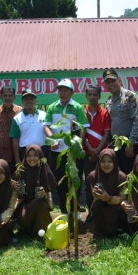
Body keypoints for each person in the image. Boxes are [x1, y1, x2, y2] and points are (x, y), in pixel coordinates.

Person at [43, 79, 89, 215]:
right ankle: (64, 211)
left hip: (73, 153)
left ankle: (75, 211)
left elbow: (83, 128)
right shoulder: (52, 107)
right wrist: (52, 140)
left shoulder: (77, 107)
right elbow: (46, 125)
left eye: (66, 90)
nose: (63, 93)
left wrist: (77, 145)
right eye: (60, 90)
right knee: (61, 182)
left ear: (71, 92)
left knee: (75, 180)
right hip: (58, 152)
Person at [78, 84, 111, 222]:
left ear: (99, 96)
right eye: (89, 94)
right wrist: (91, 151)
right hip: (85, 154)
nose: (92, 97)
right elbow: (81, 134)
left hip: (101, 155)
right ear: (86, 96)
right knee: (86, 184)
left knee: (99, 183)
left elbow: (107, 133)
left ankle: (101, 210)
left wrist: (98, 151)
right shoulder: (81, 112)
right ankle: (91, 212)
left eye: (95, 94)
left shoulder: (105, 113)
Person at [104, 69, 138, 174]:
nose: (111, 84)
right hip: (117, 144)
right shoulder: (109, 100)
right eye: (108, 82)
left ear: (119, 80)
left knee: (131, 174)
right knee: (120, 174)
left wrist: (130, 143)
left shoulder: (130, 97)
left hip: (129, 143)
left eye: (113, 81)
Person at [14, 145, 56, 239]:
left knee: (40, 203)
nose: (31, 158)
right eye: (28, 155)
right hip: (24, 211)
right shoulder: (20, 171)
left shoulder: (44, 171)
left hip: (41, 209)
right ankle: (31, 231)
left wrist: (44, 194)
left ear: (40, 157)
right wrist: (17, 191)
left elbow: (51, 206)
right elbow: (12, 196)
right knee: (39, 203)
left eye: (35, 155)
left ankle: (41, 234)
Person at [87, 149, 127, 238]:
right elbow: (95, 198)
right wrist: (96, 195)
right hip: (101, 206)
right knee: (97, 205)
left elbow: (123, 197)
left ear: (115, 162)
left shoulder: (122, 177)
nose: (106, 164)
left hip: (116, 206)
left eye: (110, 161)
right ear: (99, 162)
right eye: (103, 161)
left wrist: (109, 198)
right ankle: (99, 231)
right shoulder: (93, 176)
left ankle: (117, 231)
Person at [10, 89, 47, 165]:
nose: (29, 101)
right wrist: (17, 160)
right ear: (22, 102)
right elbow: (15, 140)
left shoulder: (45, 115)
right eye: (26, 99)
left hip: (43, 151)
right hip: (25, 153)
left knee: (42, 175)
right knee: (27, 176)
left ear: (36, 101)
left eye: (31, 99)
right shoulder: (17, 118)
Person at [0, 86, 22, 174]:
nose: (8, 98)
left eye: (10, 95)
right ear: (1, 97)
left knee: (17, 182)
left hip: (18, 155)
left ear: (14, 97)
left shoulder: (20, 111)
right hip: (1, 155)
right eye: (5, 95)